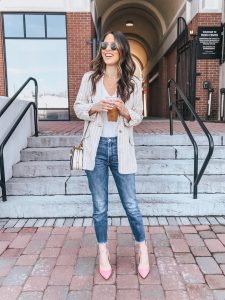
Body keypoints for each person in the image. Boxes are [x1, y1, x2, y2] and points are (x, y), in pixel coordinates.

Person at [74, 31, 150, 280]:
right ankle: (103, 251)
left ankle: (142, 248)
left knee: (131, 205)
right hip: (95, 148)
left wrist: (125, 111)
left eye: (113, 46)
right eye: (105, 45)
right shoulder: (90, 78)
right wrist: (94, 107)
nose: (107, 49)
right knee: (100, 207)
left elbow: (138, 116)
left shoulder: (133, 83)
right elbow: (78, 107)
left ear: (122, 52)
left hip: (121, 148)